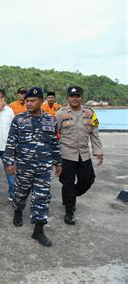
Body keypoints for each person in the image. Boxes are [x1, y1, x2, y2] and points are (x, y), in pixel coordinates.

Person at [4, 87, 62, 247]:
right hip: (24, 166)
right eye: (27, 101)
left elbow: (55, 143)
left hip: (44, 166)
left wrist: (58, 162)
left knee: (42, 198)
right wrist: (9, 162)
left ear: (41, 102)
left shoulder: (50, 120)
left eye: (32, 101)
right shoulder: (19, 119)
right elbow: (11, 142)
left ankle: (38, 230)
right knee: (20, 193)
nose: (28, 103)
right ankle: (18, 211)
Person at [56, 86, 103, 225]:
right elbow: (54, 135)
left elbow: (94, 134)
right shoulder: (60, 114)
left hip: (84, 154)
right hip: (66, 155)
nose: (74, 99)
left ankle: (70, 197)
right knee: (67, 183)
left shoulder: (90, 113)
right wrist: (54, 157)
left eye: (77, 96)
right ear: (67, 98)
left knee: (88, 180)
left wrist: (98, 152)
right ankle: (69, 211)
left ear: (81, 97)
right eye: (72, 96)